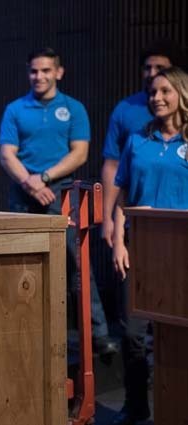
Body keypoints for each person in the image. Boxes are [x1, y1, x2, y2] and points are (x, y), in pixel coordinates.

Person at [0, 47, 117, 357]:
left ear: (59, 73)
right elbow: (6, 154)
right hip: (25, 196)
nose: (39, 76)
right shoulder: (15, 109)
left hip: (63, 194)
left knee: (78, 262)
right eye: (34, 71)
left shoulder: (73, 108)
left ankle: (97, 333)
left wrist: (45, 179)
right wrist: (30, 182)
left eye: (46, 71)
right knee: (25, 263)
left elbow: (79, 153)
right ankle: (29, 332)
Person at [110, 66, 188, 425]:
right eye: (153, 92)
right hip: (139, 250)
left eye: (165, 92)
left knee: (178, 337)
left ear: (181, 95)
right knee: (132, 336)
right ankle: (136, 406)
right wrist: (118, 242)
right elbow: (122, 194)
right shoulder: (137, 141)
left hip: (180, 252)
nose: (156, 98)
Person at [101, 40, 182, 246]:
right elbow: (116, 172)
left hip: (181, 234)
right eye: (147, 68)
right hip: (138, 232)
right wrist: (108, 220)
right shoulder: (132, 127)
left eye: (160, 68)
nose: (157, 98)